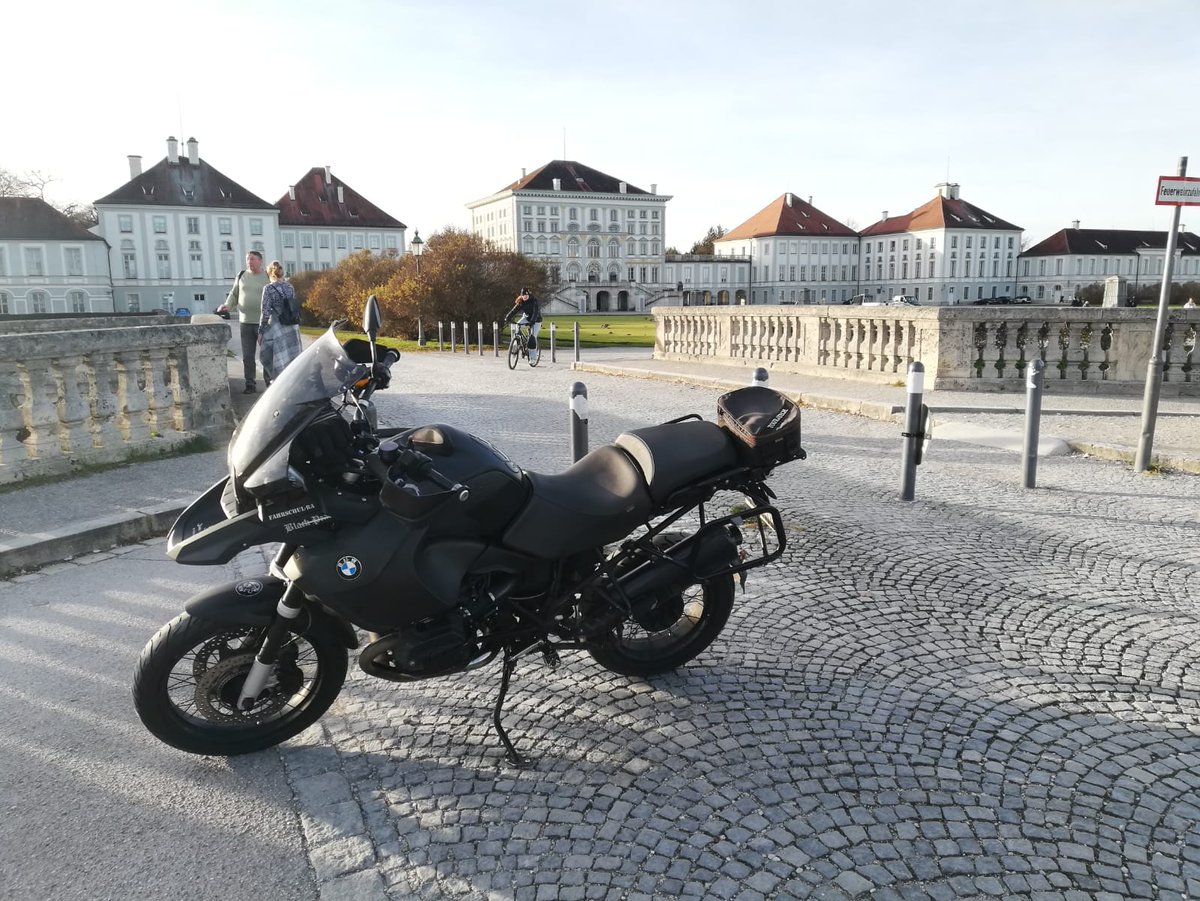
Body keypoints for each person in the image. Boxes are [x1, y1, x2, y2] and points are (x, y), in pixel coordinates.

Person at [216, 251, 270, 394]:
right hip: (245, 322)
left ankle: (269, 383)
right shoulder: (241, 275)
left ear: (260, 261)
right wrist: (227, 305)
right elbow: (234, 294)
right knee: (248, 356)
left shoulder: (268, 277)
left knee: (266, 355)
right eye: (247, 259)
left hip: (264, 324)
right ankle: (250, 384)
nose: (249, 262)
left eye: (252, 259)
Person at [259, 261, 303, 383]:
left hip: (278, 326)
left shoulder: (268, 289)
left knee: (271, 355)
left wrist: (261, 331)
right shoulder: (290, 287)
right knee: (292, 357)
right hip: (292, 326)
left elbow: (265, 312)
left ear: (269, 274)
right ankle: (292, 382)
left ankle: (277, 384)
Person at [505, 288, 543, 363]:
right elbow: (514, 310)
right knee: (517, 326)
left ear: (528, 294)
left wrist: (532, 321)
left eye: (526, 295)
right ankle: (516, 344)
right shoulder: (521, 301)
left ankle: (533, 358)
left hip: (536, 320)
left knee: (532, 337)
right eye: (523, 295)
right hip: (526, 318)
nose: (524, 297)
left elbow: (536, 312)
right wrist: (508, 317)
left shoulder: (534, 301)